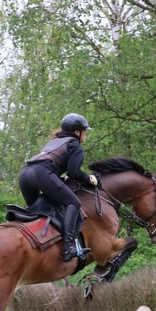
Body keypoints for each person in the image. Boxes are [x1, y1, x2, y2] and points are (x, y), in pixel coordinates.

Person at [18, 112, 99, 262]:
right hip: (40, 174)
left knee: (37, 210)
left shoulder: (54, 142)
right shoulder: (75, 145)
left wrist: (60, 178)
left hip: (25, 174)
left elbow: (52, 165)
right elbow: (74, 173)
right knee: (73, 203)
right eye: (85, 132)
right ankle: (67, 248)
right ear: (77, 132)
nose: (85, 136)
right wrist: (89, 178)